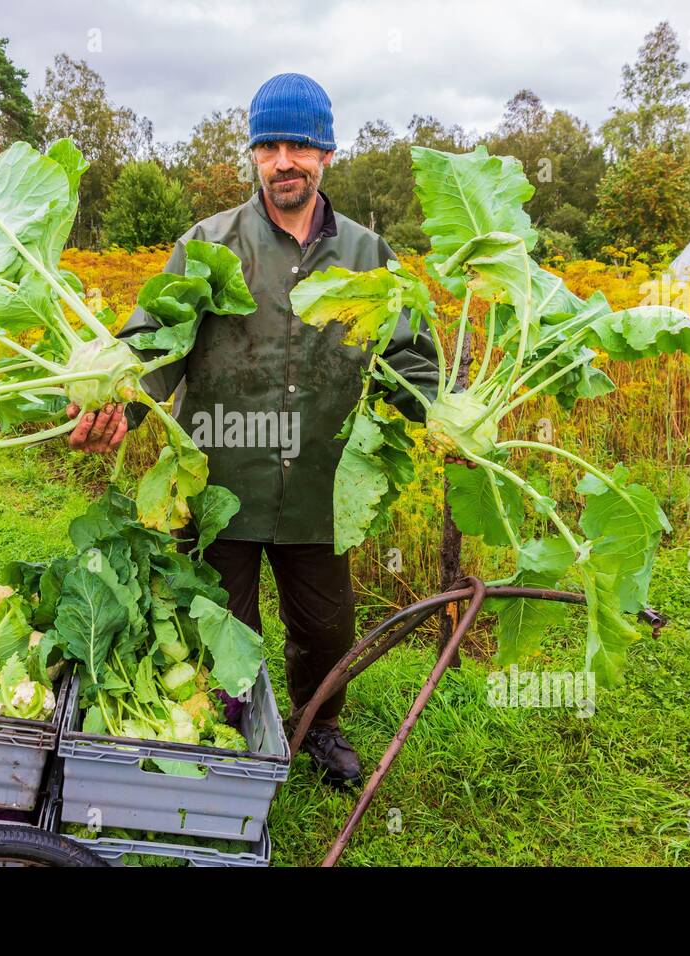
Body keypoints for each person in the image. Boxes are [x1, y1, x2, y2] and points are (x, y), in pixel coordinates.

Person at [66, 73, 449, 788]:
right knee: (215, 622)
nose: (283, 161)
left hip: (320, 485)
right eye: (268, 145)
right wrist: (119, 402)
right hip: (220, 483)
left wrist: (444, 415)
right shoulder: (209, 243)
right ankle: (223, 731)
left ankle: (319, 727)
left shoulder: (371, 256)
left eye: (299, 145)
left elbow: (410, 359)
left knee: (324, 630)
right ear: (251, 155)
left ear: (327, 154)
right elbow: (156, 343)